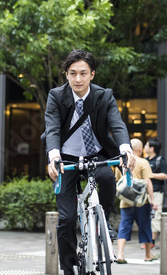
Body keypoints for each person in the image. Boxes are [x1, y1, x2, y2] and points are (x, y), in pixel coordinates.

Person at [45, 49, 135, 275]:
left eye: (83, 73)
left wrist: (125, 149)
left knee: (106, 177)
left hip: (97, 155)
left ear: (92, 74)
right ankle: (69, 268)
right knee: (66, 219)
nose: (78, 79)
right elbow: (53, 129)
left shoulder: (104, 96)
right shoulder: (56, 96)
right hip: (65, 158)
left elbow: (117, 125)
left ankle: (104, 221)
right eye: (73, 73)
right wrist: (54, 156)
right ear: (66, 74)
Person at [115, 139, 159, 264]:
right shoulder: (143, 162)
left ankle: (120, 254)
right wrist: (153, 200)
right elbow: (148, 183)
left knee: (123, 228)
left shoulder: (121, 162)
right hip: (142, 202)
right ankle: (148, 255)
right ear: (140, 150)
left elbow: (118, 181)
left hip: (125, 202)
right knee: (145, 227)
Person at [144, 138, 167, 247]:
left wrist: (150, 175)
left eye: (146, 145)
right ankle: (150, 239)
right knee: (147, 216)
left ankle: (152, 241)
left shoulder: (159, 160)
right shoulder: (145, 160)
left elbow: (166, 175)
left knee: (155, 215)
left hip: (157, 191)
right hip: (145, 192)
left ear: (152, 148)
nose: (145, 147)